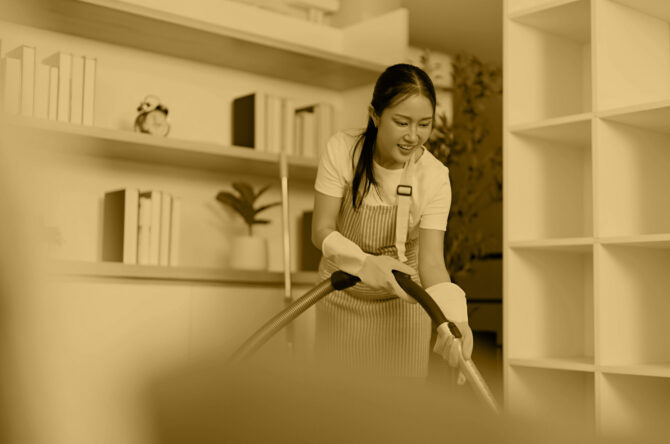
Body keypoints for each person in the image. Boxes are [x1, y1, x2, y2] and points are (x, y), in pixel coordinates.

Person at [311, 63, 474, 378]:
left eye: (424, 124)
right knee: (334, 410)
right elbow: (321, 230)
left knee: (399, 412)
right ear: (375, 115)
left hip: (404, 304)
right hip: (340, 293)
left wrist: (455, 318)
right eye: (402, 122)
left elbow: (431, 263)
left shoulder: (435, 176)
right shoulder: (343, 150)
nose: (413, 136)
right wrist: (363, 264)